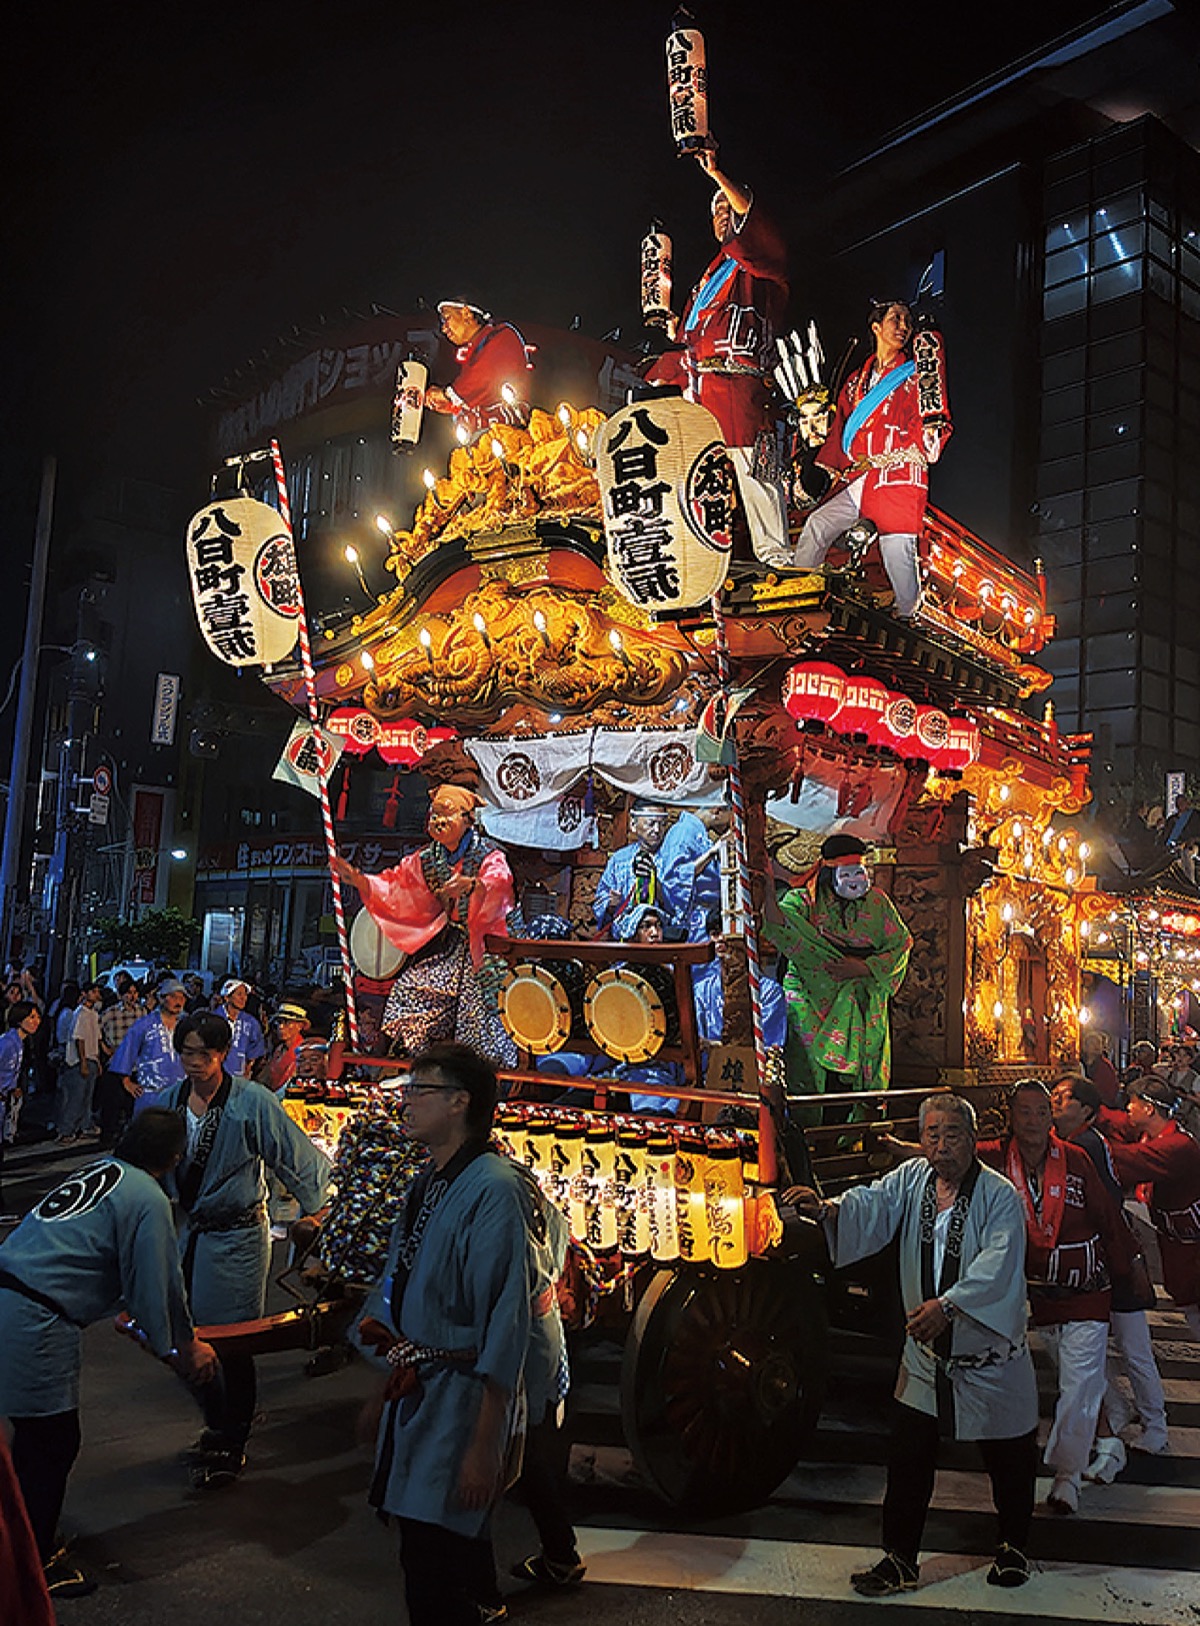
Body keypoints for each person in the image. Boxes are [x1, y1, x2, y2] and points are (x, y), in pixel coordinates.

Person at [786, 1093, 1038, 1594]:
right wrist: (827, 1209)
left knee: (1009, 1458)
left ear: (973, 1139)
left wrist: (949, 1306)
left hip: (989, 1357)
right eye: (932, 1135)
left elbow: (999, 1264)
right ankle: (899, 1558)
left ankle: (1013, 1547)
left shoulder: (1000, 1195)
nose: (942, 1146)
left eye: (953, 1135)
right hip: (925, 1356)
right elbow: (872, 1203)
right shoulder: (912, 1179)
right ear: (921, 1140)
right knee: (907, 1460)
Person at [0, 1108, 217, 1597]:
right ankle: (31, 1565)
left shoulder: (100, 1168)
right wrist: (181, 1346)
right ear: (175, 1157)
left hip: (11, 1290)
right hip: (36, 1314)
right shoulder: (148, 1196)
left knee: (34, 1438)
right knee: (51, 1441)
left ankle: (23, 1541)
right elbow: (158, 1283)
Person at [354, 1042, 535, 1626]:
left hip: (461, 1399)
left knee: (435, 1570)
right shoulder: (429, 1181)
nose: (406, 1102)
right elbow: (398, 1282)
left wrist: (486, 1445)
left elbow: (505, 1319)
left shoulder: (495, 1187)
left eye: (420, 1090)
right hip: (421, 1391)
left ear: (460, 1102)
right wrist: (379, 1390)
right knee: (422, 1560)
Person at [164, 1010, 332, 1488]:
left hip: (237, 1237)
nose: (195, 1062)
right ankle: (216, 1421)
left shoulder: (251, 1101)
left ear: (223, 1054)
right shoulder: (167, 1101)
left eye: (204, 1053)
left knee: (233, 1342)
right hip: (186, 1232)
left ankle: (232, 1437)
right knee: (188, 1338)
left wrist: (320, 1212)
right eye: (187, 1052)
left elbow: (294, 1157)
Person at [976, 1080, 1135, 1515]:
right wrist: (905, 1149)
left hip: (1087, 1290)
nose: (1033, 1120)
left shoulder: (1076, 1158)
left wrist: (1126, 1270)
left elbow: (1107, 1215)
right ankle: (1106, 1440)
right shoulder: (995, 1158)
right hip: (1039, 1297)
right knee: (1070, 1383)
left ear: (1051, 1117)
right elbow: (951, 1153)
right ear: (1012, 1116)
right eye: (1024, 1112)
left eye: (1041, 1112)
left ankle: (1068, 1477)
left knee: (1079, 1385)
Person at [647, 147, 790, 567]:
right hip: (702, 391)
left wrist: (717, 175)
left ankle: (777, 557)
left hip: (740, 388)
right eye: (717, 211)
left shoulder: (760, 265)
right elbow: (695, 339)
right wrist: (675, 330)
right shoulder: (709, 277)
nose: (724, 214)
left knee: (755, 475)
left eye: (730, 206)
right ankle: (708, 563)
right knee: (703, 482)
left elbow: (757, 234)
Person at [333, 784, 516, 1065]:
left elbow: (500, 882)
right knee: (408, 995)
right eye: (435, 815)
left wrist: (474, 886)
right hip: (456, 946)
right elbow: (397, 886)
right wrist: (361, 880)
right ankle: (431, 1065)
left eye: (447, 814)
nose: (438, 821)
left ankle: (491, 1074)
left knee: (482, 1014)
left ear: (468, 819)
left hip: (493, 946)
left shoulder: (488, 855)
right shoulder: (428, 859)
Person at [793, 300, 952, 619]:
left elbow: (930, 417)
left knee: (897, 551)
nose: (903, 326)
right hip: (861, 476)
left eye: (907, 321)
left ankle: (908, 615)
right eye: (896, 319)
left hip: (897, 471)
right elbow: (841, 427)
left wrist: (930, 434)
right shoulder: (856, 381)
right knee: (818, 524)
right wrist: (828, 467)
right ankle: (799, 592)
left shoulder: (916, 374)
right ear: (876, 327)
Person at [1050, 1073, 1169, 1468]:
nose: (1055, 1102)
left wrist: (1122, 1259)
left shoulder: (1085, 1146)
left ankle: (1155, 1424)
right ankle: (1117, 1410)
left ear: (1085, 1109)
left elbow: (1106, 1209)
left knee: (1132, 1347)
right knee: (1091, 1349)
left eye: (1063, 1097)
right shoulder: (1070, 1142)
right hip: (1093, 1262)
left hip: (1112, 1259)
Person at [762, 833, 912, 1098]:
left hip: (863, 992)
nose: (855, 880)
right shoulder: (804, 901)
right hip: (811, 994)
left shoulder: (878, 903)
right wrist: (766, 885)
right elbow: (780, 925)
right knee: (809, 1070)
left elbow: (901, 943)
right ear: (829, 873)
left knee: (866, 1074)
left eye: (859, 872)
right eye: (847, 874)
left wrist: (864, 967)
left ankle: (860, 1121)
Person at [1101, 1073, 1200, 1342]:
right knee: (1188, 1305)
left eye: (1132, 1102)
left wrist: (1091, 1148)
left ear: (1148, 1108)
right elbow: (1115, 1120)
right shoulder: (1150, 1133)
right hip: (1176, 1243)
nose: (1127, 1108)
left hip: (1192, 1246)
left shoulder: (1179, 1146)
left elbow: (1133, 1159)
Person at [592, 802, 711, 940]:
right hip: (626, 939)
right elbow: (600, 902)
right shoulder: (619, 860)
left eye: (662, 824)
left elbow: (681, 903)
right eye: (651, 823)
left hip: (662, 938)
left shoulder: (673, 857)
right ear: (633, 824)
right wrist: (610, 905)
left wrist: (657, 886)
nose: (657, 830)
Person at [425, 299, 532, 437]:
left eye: (447, 318)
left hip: (511, 435)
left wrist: (447, 395)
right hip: (481, 440)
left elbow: (484, 378)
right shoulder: (472, 355)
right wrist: (451, 406)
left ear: (466, 313)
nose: (444, 329)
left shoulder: (503, 334)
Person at [109, 977, 188, 1113]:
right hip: (152, 1094)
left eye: (182, 998)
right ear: (162, 998)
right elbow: (127, 1051)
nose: (179, 1001)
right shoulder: (145, 1024)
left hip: (180, 1093)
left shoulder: (186, 1025)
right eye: (173, 997)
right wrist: (126, 1081)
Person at [0, 1001, 41, 1217]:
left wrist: (14, 1089)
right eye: (31, 1017)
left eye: (37, 1017)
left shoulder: (20, 1043)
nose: (36, 1021)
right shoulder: (7, 1043)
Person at [97, 977, 146, 1146]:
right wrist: (104, 1047)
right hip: (117, 1062)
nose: (132, 996)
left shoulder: (142, 1012)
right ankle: (108, 1135)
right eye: (128, 993)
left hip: (136, 1064)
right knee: (112, 1103)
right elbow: (96, 1029)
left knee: (132, 1102)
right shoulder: (111, 1013)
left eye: (134, 993)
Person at [56, 982, 103, 1142]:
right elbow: (79, 1039)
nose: (97, 994)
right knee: (76, 1097)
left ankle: (85, 1125)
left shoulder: (93, 1014)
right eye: (93, 991)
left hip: (91, 1058)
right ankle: (67, 1130)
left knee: (87, 1097)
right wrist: (83, 1061)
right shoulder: (80, 1013)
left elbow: (95, 1038)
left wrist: (97, 1060)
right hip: (79, 1060)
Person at [212, 978, 266, 1079]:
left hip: (240, 1077)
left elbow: (256, 1048)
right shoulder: (214, 1019)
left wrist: (248, 1068)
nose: (244, 998)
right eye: (239, 994)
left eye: (245, 994)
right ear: (227, 997)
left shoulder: (251, 1022)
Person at [258, 999, 310, 1096]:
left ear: (300, 1026)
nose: (281, 1026)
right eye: (279, 1022)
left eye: (287, 1022)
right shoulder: (279, 1050)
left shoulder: (304, 1052)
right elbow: (265, 1078)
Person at [1079, 1029, 1121, 1108]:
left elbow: (1111, 1089)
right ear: (1085, 1046)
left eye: (1099, 1043)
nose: (1096, 1046)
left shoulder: (1105, 1065)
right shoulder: (1079, 1063)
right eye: (1092, 1043)